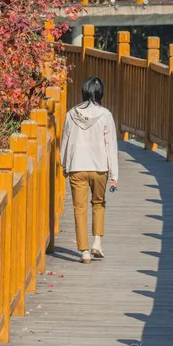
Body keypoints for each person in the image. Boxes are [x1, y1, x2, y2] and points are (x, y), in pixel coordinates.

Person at [59, 76, 118, 264]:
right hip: (99, 167)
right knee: (98, 203)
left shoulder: (71, 114)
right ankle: (97, 242)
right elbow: (111, 146)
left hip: (77, 166)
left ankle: (84, 252)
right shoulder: (106, 115)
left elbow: (65, 141)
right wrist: (114, 174)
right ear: (101, 93)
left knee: (79, 208)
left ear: (84, 92)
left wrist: (64, 163)